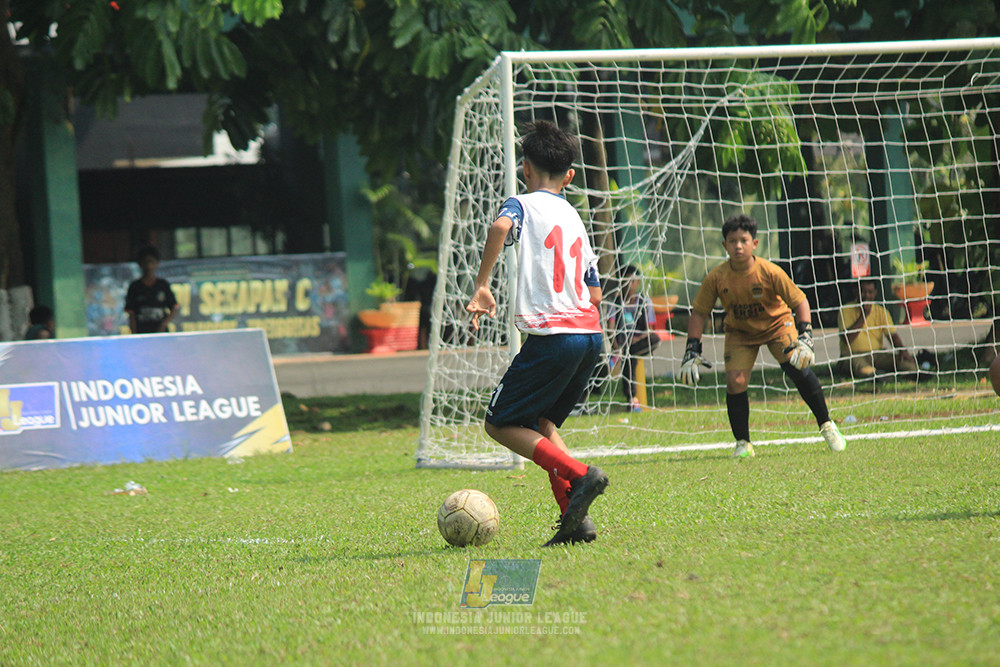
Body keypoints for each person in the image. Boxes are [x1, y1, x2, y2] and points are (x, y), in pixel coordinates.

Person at [465, 119, 610, 547]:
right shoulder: (575, 218)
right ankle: (575, 519)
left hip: (554, 337)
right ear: (569, 176)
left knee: (499, 423)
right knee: (543, 422)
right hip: (590, 335)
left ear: (524, 169)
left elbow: (498, 228)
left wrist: (483, 284)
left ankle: (582, 475)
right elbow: (596, 292)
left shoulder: (521, 204)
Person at [679, 213, 846, 458]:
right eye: (732, 241)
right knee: (735, 381)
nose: (738, 245)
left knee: (797, 368)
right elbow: (699, 313)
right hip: (740, 332)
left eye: (743, 240)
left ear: (754, 243)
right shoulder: (716, 276)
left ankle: (828, 426)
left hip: (777, 325)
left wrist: (806, 335)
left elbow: (800, 301)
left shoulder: (769, 271)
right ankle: (743, 443)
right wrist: (692, 348)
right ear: (724, 245)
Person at [838, 279, 918, 379]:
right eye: (862, 291)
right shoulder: (845, 310)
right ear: (855, 292)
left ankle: (913, 374)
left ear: (875, 293)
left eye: (870, 292)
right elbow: (847, 339)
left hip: (876, 354)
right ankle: (876, 375)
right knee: (860, 367)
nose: (866, 295)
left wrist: (902, 351)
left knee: (905, 363)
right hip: (853, 355)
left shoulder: (881, 311)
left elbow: (892, 336)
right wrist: (864, 315)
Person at [611, 264, 661, 412]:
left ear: (637, 282)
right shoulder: (615, 303)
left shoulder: (644, 301)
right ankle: (632, 399)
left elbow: (650, 330)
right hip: (622, 345)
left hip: (639, 342)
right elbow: (610, 329)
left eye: (632, 281)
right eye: (625, 281)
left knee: (654, 339)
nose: (628, 285)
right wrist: (617, 348)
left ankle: (631, 399)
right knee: (628, 355)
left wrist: (635, 340)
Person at [124, 245, 178, 334]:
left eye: (151, 262)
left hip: (161, 333)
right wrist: (134, 334)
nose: (149, 266)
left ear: (157, 263)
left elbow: (174, 308)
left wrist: (163, 324)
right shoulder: (135, 287)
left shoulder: (162, 285)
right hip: (142, 332)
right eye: (145, 262)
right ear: (140, 264)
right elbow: (131, 313)